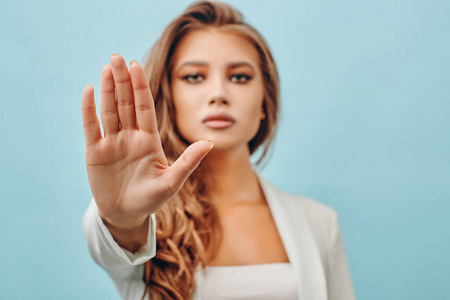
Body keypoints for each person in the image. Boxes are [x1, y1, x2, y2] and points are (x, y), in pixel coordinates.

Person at [81, 1, 356, 299]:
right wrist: (122, 219)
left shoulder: (319, 222)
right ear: (169, 96)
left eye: (239, 77)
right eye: (194, 77)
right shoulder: (143, 213)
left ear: (265, 101)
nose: (218, 94)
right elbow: (112, 245)